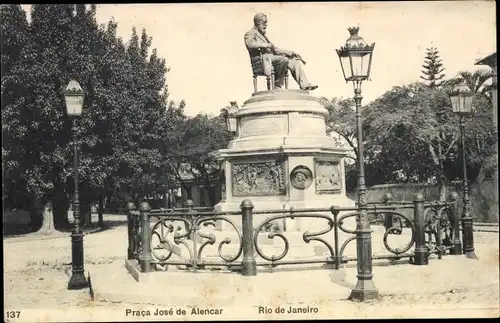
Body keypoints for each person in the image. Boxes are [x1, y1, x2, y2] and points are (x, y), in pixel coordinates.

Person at [244, 13, 318, 91]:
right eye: (264, 22)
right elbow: (250, 44)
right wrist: (266, 45)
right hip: (262, 61)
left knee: (294, 63)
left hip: (272, 59)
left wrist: (290, 53)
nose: (266, 25)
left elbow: (275, 50)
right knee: (283, 59)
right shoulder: (250, 33)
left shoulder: (263, 36)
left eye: (266, 22)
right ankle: (277, 86)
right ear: (258, 22)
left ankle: (305, 85)